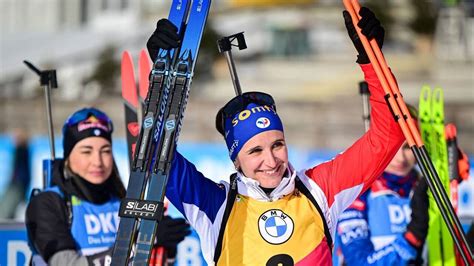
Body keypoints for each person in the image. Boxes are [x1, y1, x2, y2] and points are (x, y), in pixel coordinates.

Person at [146, 7, 414, 265]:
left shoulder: (318, 189)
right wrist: (162, 80)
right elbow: (157, 156)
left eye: (277, 145)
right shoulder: (215, 205)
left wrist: (372, 60)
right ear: (236, 160)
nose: (271, 160)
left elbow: (387, 136)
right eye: (255, 151)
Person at [25, 107, 190, 266]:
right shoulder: (48, 203)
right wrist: (143, 243)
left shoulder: (122, 201)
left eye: (105, 151)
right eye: (86, 152)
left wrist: (165, 251)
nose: (97, 162)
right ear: (68, 156)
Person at [334, 137, 430, 265]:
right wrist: (410, 240)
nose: (401, 158)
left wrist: (450, 175)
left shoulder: (428, 188)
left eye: (408, 147)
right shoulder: (358, 191)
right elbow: (358, 262)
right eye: (394, 146)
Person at [0, 129, 31, 220]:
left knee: (6, 210)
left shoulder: (21, 150)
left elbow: (21, 171)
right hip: (18, 184)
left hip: (17, 184)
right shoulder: (22, 150)